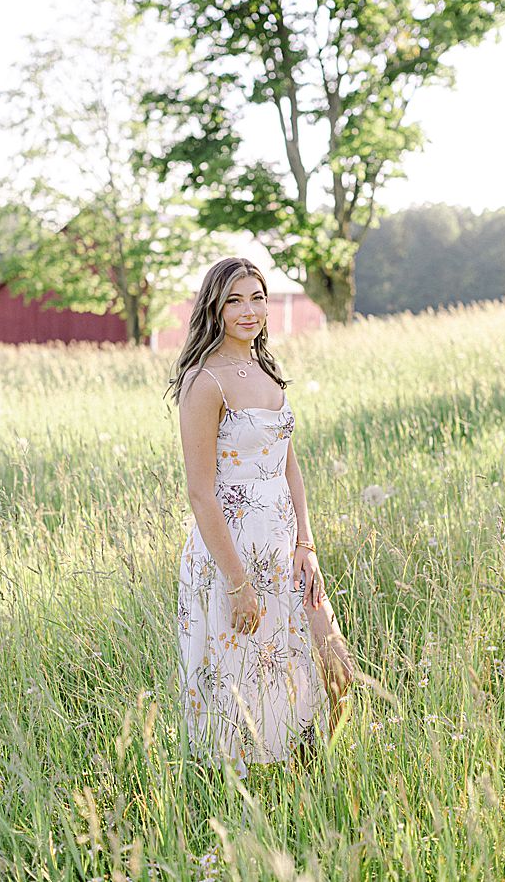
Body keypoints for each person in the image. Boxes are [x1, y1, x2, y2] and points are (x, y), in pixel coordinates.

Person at [166, 257, 354, 775]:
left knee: (336, 670)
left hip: (283, 547)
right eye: (234, 300)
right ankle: (250, 796)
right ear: (214, 308)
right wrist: (237, 584)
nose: (249, 310)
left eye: (257, 297)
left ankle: (311, 779)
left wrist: (306, 545)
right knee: (245, 687)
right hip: (232, 552)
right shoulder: (204, 382)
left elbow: (289, 465)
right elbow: (201, 493)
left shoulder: (267, 370)